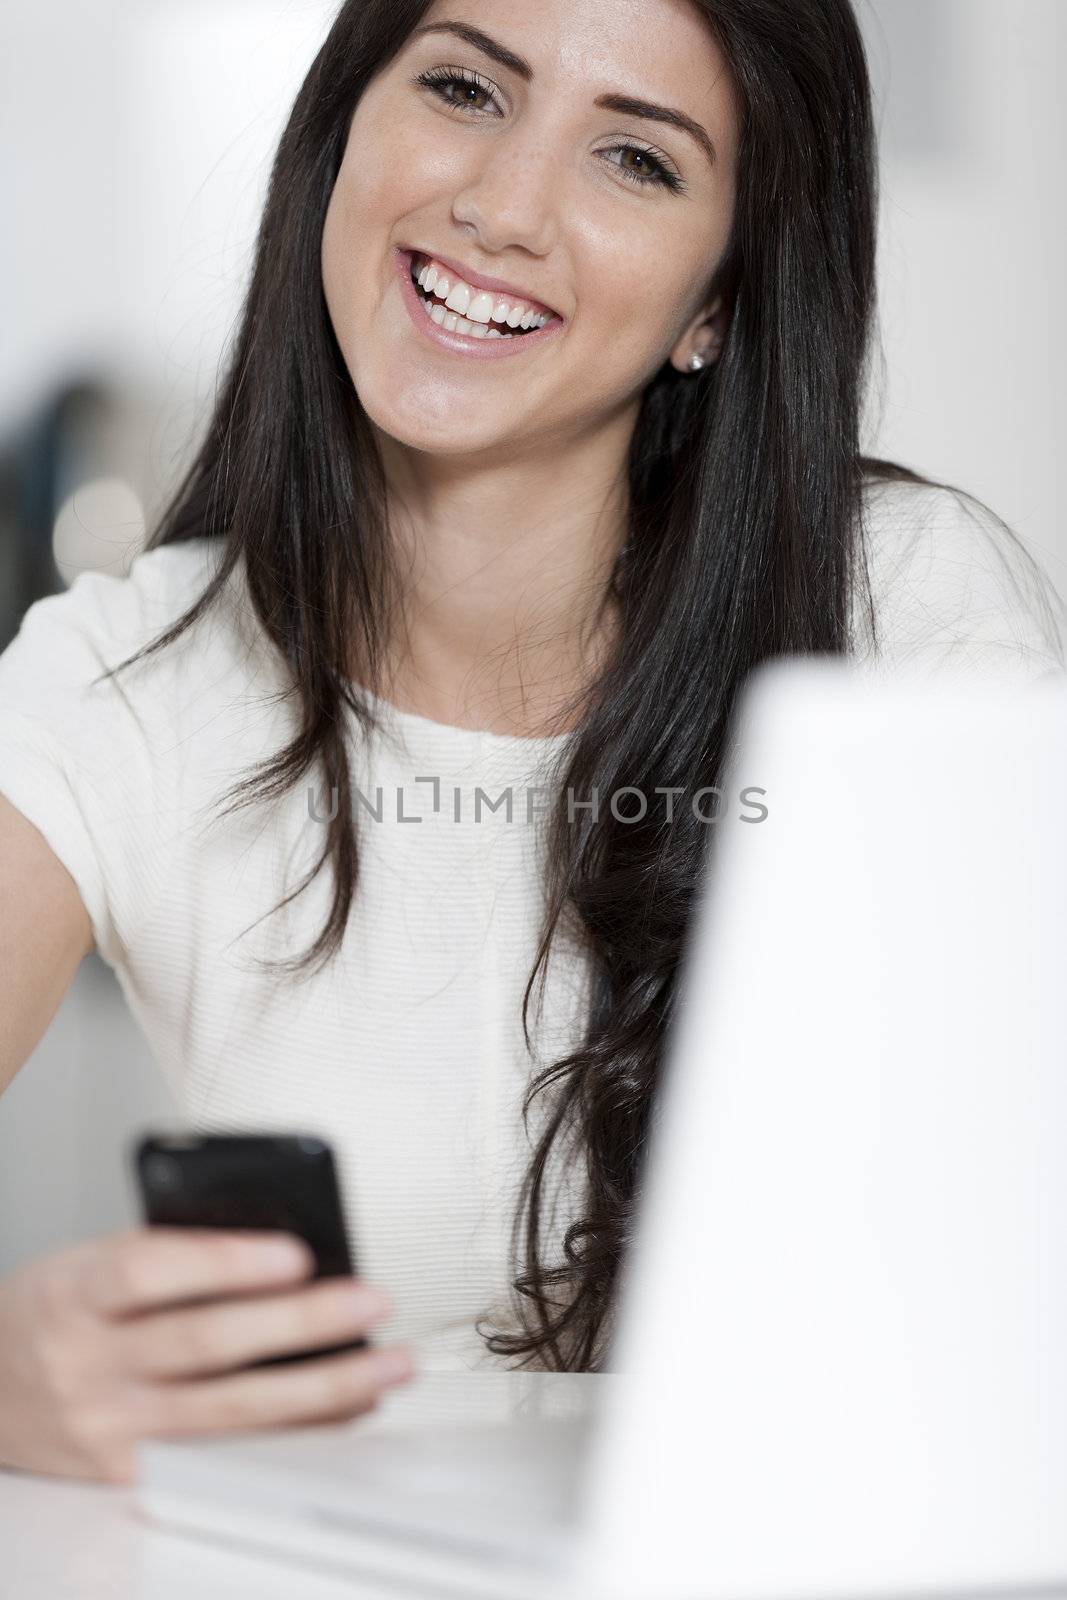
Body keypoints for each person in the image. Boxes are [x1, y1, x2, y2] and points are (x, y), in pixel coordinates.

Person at [0, 0, 1062, 1487]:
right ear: (341, 133)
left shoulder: (904, 609)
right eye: (461, 87)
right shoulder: (130, 675)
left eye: (636, 160)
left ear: (716, 305)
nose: (501, 207)